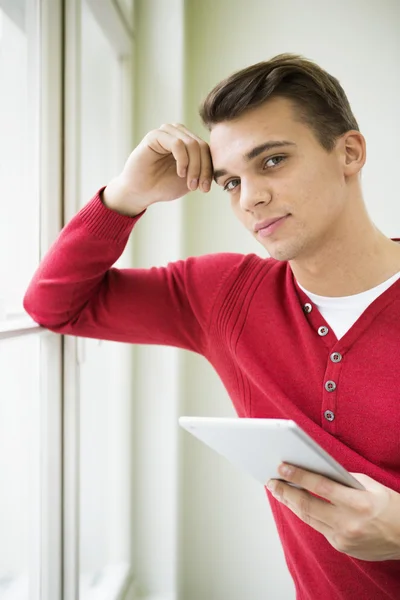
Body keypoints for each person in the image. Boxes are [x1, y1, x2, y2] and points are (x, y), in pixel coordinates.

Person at [24, 53, 400, 599]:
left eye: (271, 161)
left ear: (348, 152)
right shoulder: (224, 296)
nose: (250, 199)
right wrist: (126, 197)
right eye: (229, 182)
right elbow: (56, 305)